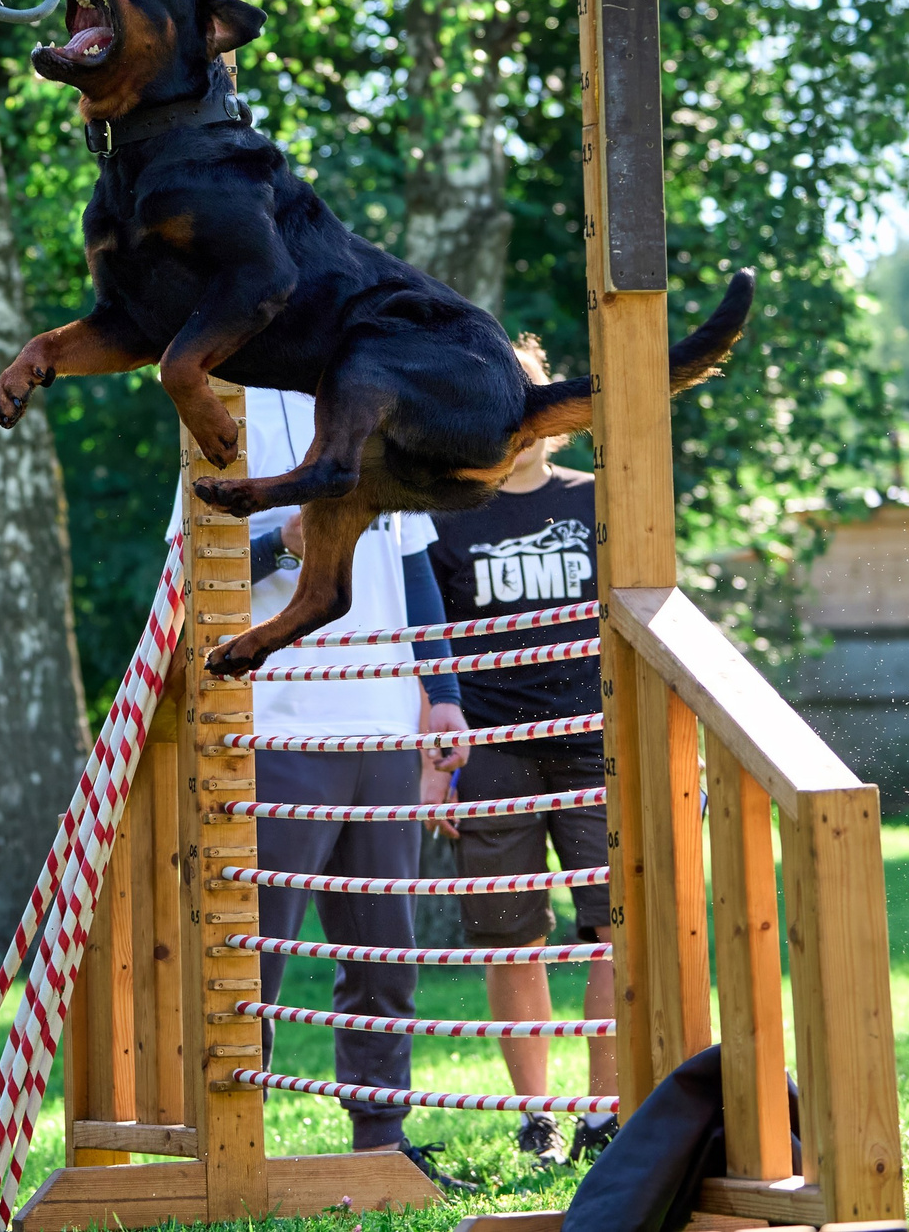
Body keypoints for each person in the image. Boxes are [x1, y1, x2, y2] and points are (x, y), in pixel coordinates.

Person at [173, 388, 473, 1191]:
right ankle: (237, 1151)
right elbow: (188, 574)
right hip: (274, 726)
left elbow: (416, 573)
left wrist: (441, 692)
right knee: (251, 960)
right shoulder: (219, 422)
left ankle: (382, 1143)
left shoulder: (381, 411)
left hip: (383, 726)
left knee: (384, 953)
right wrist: (281, 540)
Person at [421, 335, 615, 1169]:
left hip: (595, 744)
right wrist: (435, 769)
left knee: (616, 931)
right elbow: (423, 651)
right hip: (491, 748)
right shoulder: (444, 511)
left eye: (530, 397)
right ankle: (537, 1118)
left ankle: (605, 1114)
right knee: (510, 940)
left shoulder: (598, 499)